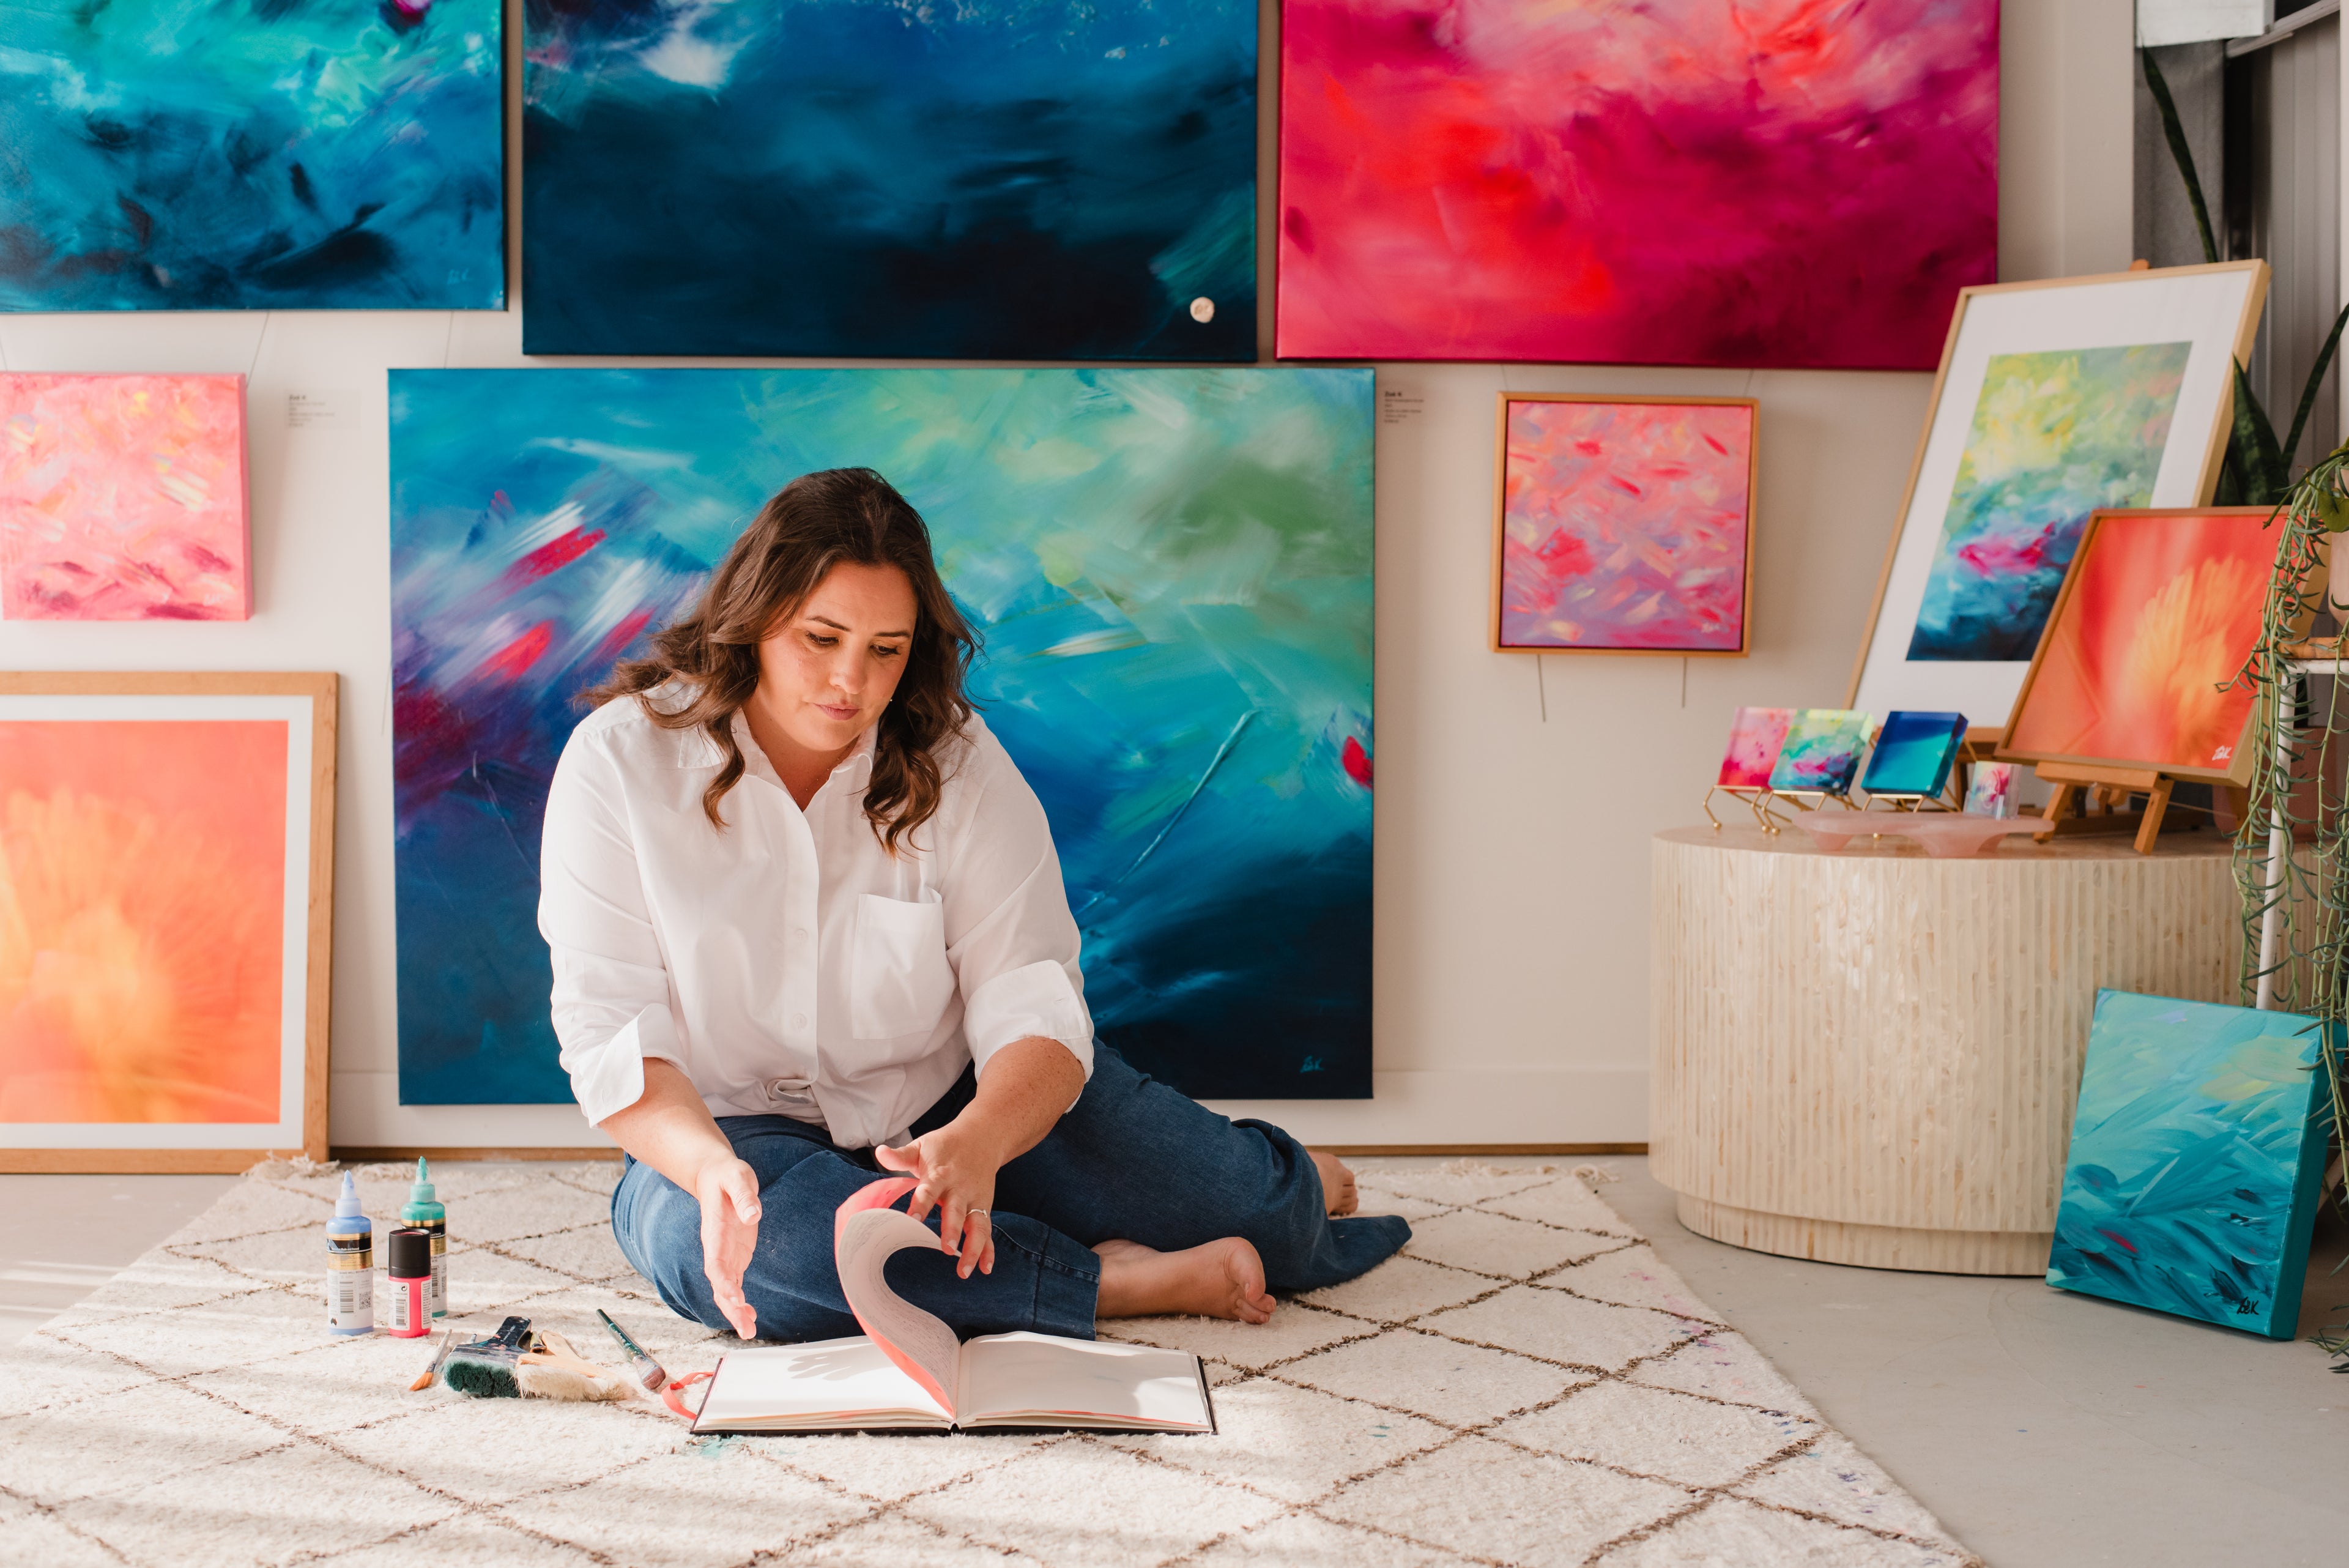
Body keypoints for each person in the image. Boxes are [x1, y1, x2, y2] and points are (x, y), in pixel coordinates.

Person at [540, 467, 1408, 1343]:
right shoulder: (619, 763)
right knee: (759, 1255)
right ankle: (1104, 1283)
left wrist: (984, 1139)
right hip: (726, 1138)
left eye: (886, 648)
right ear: (756, 618)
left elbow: (1030, 991)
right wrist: (704, 1168)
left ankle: (1289, 1180)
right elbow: (610, 1026)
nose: (852, 682)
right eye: (822, 637)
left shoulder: (957, 761)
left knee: (1268, 1225)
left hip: (956, 1109)